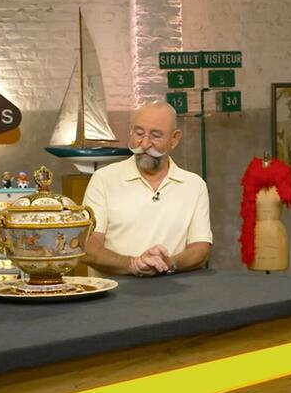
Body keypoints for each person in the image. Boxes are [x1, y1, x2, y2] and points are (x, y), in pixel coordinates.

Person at [81, 100, 211, 277]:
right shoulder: (103, 180)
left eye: (155, 136)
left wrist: (168, 264)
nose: (144, 143)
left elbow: (201, 249)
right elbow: (87, 247)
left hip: (173, 289)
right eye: (139, 133)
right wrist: (132, 265)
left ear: (174, 139)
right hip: (115, 291)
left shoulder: (194, 185)